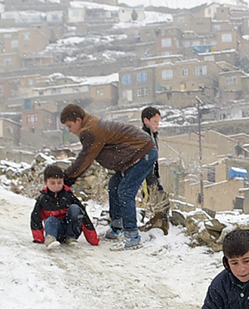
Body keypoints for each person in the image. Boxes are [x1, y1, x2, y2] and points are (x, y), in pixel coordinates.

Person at [60, 104, 155, 250]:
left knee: (125, 191)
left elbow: (85, 158)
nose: (69, 130)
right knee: (114, 185)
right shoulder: (92, 125)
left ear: (78, 120)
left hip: (142, 153)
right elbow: (87, 157)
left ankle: (132, 236)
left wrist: (68, 177)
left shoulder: (90, 131)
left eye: (70, 125)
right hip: (135, 155)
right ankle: (117, 227)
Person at [30, 164, 100, 249]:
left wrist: (93, 239)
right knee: (51, 219)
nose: (56, 186)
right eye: (52, 183)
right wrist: (39, 239)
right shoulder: (42, 199)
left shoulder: (69, 196)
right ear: (46, 183)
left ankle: (70, 237)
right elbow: (35, 219)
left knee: (75, 208)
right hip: (56, 231)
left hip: (70, 229)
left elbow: (84, 216)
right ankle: (51, 239)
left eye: (59, 183)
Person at [139, 106, 170, 234]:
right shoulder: (144, 136)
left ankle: (159, 222)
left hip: (153, 174)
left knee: (158, 196)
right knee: (151, 198)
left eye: (158, 122)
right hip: (146, 175)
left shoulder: (153, 135)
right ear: (146, 120)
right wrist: (151, 178)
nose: (157, 125)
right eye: (155, 121)